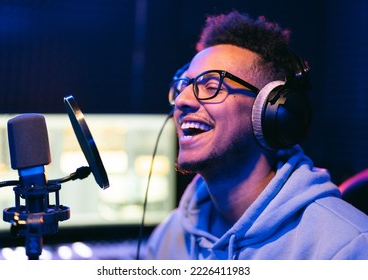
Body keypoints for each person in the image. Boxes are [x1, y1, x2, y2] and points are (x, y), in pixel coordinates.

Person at [145, 9, 368, 260]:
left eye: (211, 85)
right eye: (183, 86)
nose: (182, 101)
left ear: (270, 112)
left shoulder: (344, 248)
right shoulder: (168, 237)